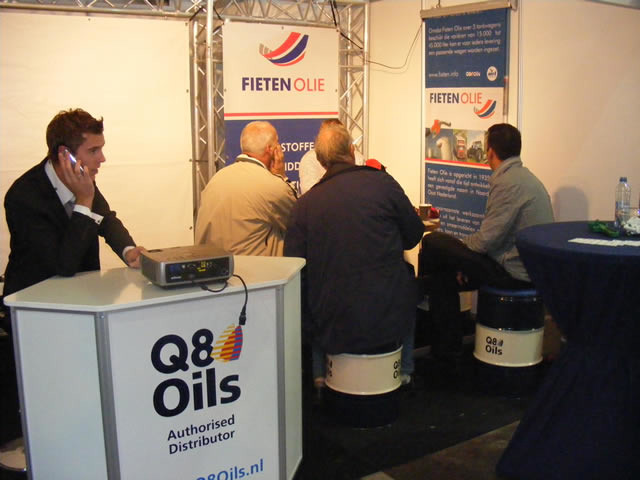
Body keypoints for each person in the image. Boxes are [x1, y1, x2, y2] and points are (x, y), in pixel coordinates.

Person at [1, 107, 144, 452]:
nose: (102, 158)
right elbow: (61, 265)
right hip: (36, 313)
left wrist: (128, 251)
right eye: (94, 150)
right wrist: (83, 201)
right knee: (50, 395)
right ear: (65, 154)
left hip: (77, 305)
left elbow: (106, 219)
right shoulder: (24, 196)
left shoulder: (84, 182)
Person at [284, 123, 424, 390]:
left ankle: (319, 376)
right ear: (351, 150)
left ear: (321, 161)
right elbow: (414, 234)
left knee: (311, 293)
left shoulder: (304, 206)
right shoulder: (384, 184)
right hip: (387, 311)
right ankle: (405, 372)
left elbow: (294, 270)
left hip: (332, 319)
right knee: (407, 283)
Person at [419, 123, 554, 360]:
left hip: (514, 272)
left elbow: (485, 240)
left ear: (490, 151)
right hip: (523, 266)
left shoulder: (508, 182)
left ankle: (439, 343)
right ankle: (446, 350)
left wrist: (460, 255)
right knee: (441, 278)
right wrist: (461, 260)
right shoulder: (525, 178)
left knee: (433, 242)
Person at [194, 121, 297, 256]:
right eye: (278, 143)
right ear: (271, 150)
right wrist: (281, 177)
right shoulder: (272, 186)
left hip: (218, 265)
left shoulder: (216, 179)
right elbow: (297, 219)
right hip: (256, 268)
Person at [298, 119, 365, 194]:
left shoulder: (357, 157)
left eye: (339, 134)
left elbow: (361, 185)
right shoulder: (309, 159)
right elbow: (309, 191)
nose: (335, 139)